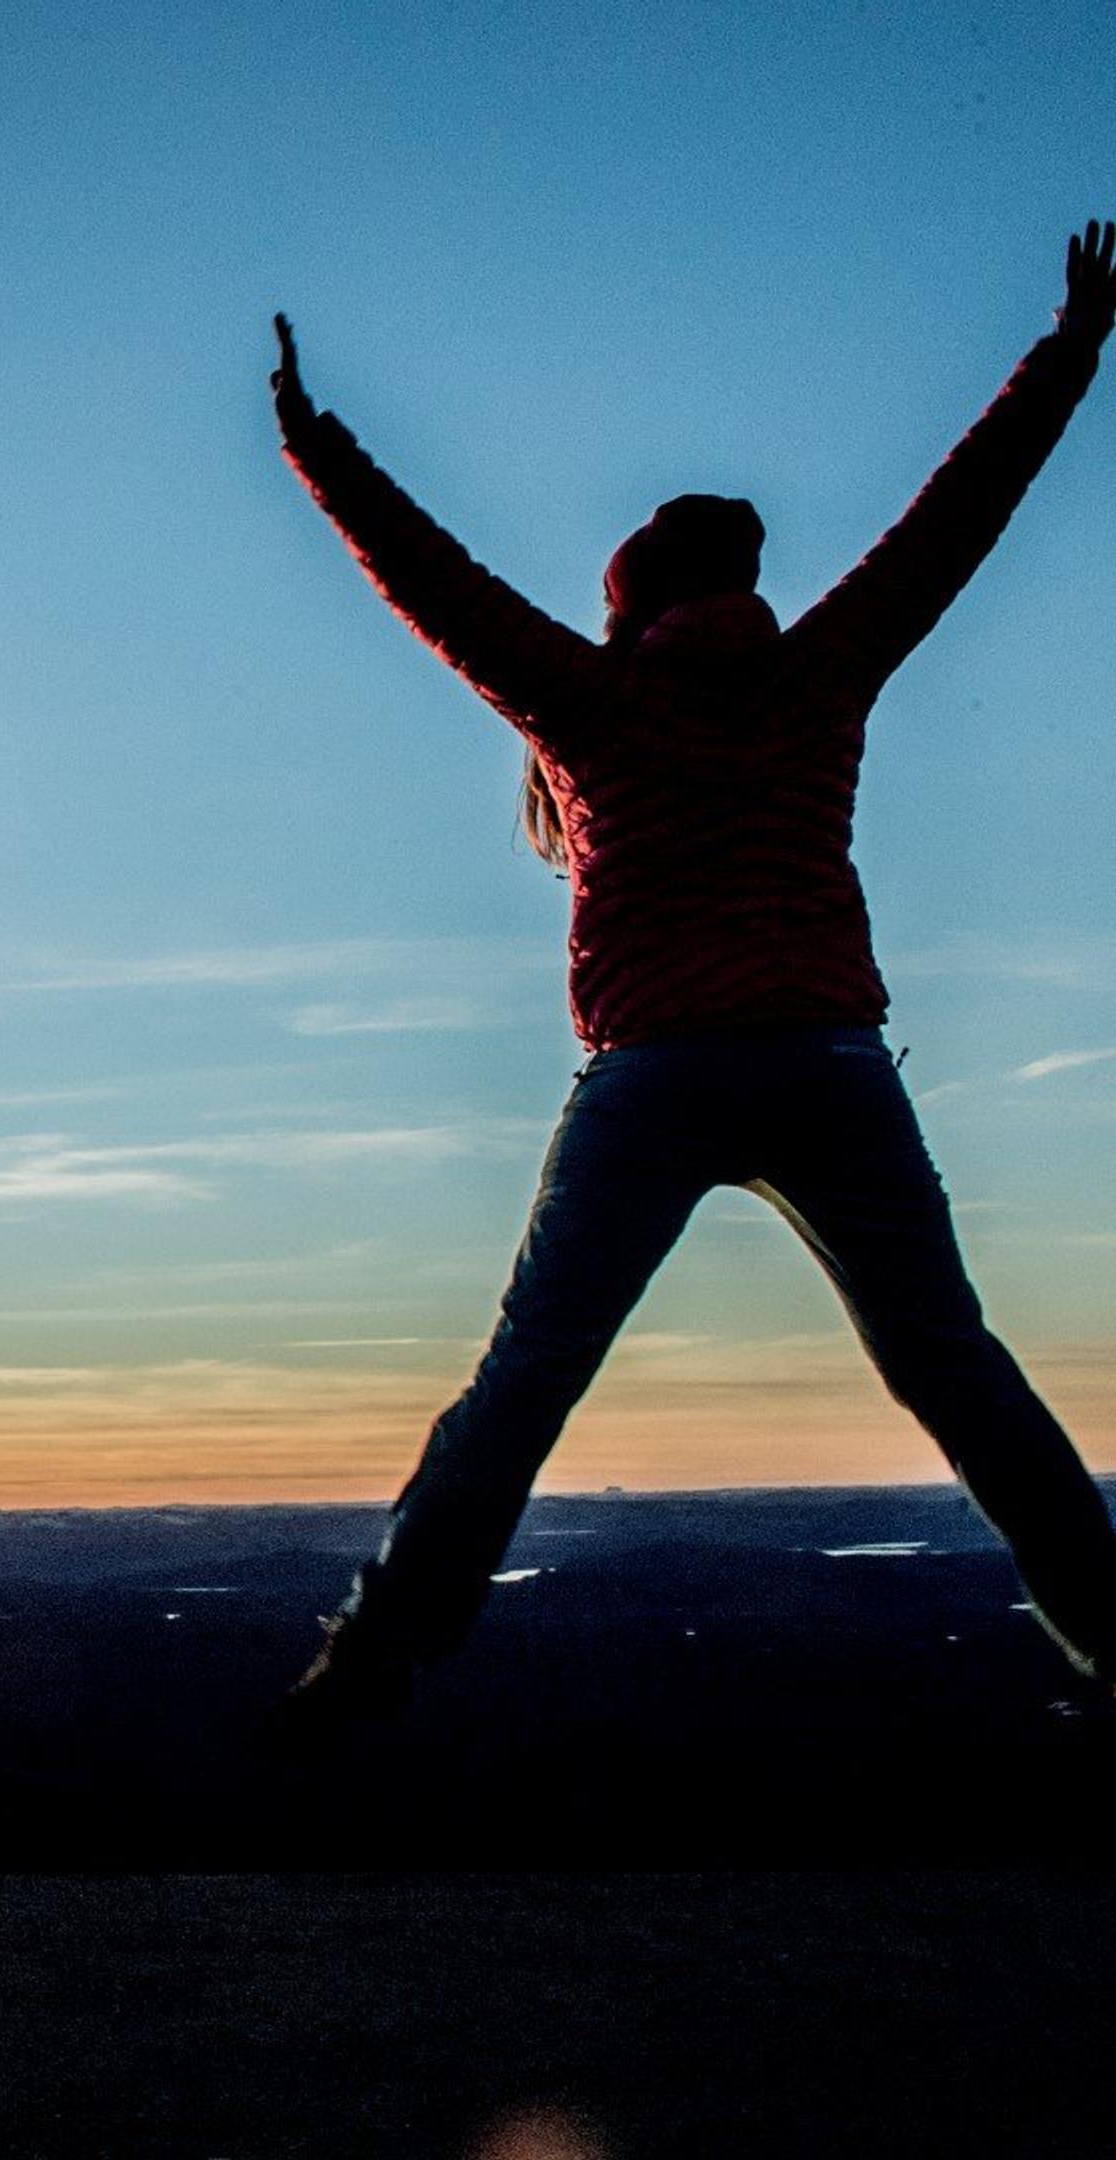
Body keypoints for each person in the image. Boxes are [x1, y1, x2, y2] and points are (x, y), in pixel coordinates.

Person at [270, 220, 1116, 1735]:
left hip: (655, 1073)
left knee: (526, 1382)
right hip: (828, 1063)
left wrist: (313, 443)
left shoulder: (591, 698)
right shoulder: (820, 668)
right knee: (955, 1370)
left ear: (630, 599)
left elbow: (431, 580)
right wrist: (1069, 353)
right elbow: (955, 522)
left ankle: (369, 1663)